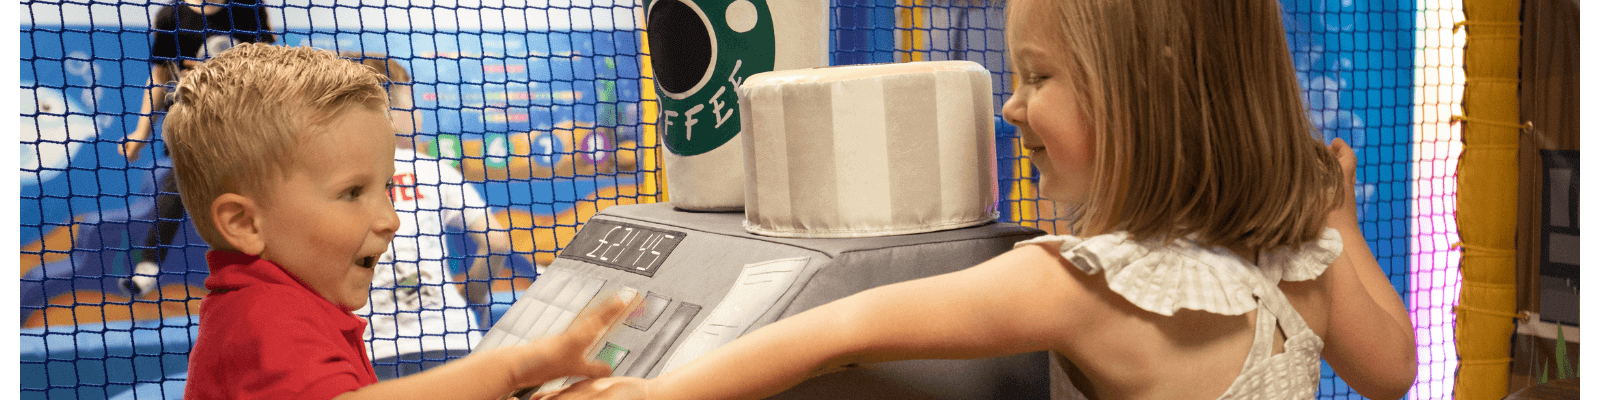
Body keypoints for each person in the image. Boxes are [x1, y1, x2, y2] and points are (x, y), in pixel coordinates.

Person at [540, 0, 1416, 399]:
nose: (1012, 104)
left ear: (1149, 92)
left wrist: (661, 397)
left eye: (1038, 77)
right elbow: (1391, 371)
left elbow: (840, 330)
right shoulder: (1298, 259)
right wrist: (1334, 214)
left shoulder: (1090, 282)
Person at [167, 43, 629, 399]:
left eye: (387, 188)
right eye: (352, 193)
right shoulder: (265, 325)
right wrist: (513, 367)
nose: (390, 219)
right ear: (246, 224)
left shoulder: (297, 307)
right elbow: (496, 239)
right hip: (449, 340)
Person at [343, 53, 516, 380]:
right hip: (450, 339)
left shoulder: (338, 178)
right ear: (388, 116)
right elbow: (497, 241)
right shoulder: (433, 170)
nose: (420, 113)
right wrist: (473, 295)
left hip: (371, 350)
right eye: (412, 103)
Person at [120, 0, 277, 297]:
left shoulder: (247, 8)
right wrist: (141, 133)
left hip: (240, 121)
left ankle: (268, 267)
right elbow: (159, 78)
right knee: (178, 183)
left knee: (255, 191)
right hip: (191, 120)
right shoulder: (171, 17)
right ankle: (149, 265)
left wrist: (222, 73)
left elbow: (272, 63)